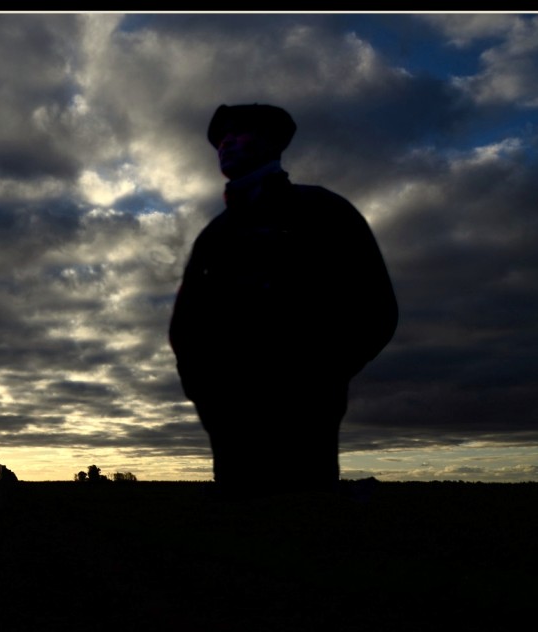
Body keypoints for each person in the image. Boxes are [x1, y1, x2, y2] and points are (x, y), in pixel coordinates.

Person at [169, 103, 398, 500]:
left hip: (306, 417)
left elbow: (376, 306)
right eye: (221, 138)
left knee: (303, 528)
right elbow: (185, 326)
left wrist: (319, 378)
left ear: (272, 142)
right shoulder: (215, 236)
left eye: (239, 133)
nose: (225, 143)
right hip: (230, 422)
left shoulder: (324, 211)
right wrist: (208, 396)